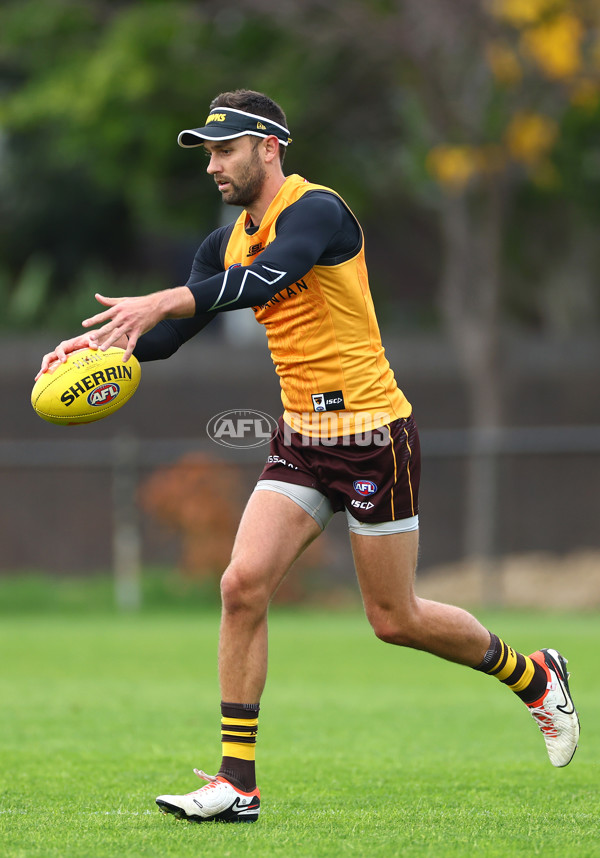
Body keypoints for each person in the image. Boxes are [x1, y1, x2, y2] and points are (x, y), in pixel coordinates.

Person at [37, 89, 580, 824]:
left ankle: (535, 675)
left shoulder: (317, 211)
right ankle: (237, 783)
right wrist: (104, 345)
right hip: (300, 440)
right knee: (241, 585)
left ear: (269, 146)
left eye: (224, 150)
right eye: (207, 153)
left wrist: (161, 300)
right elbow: (169, 335)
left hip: (372, 438)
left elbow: (269, 278)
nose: (213, 167)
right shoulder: (224, 242)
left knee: (395, 618)